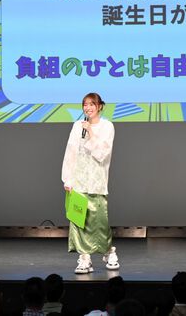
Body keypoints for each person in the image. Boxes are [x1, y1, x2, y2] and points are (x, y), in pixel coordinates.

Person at [62, 92, 118, 274]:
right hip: (78, 180)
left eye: (92, 104)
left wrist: (91, 132)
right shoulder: (77, 126)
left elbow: (102, 154)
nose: (88, 108)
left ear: (99, 106)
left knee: (100, 221)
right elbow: (71, 152)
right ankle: (84, 258)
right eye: (85, 104)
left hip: (97, 180)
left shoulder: (107, 126)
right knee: (79, 221)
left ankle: (109, 251)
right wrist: (68, 178)